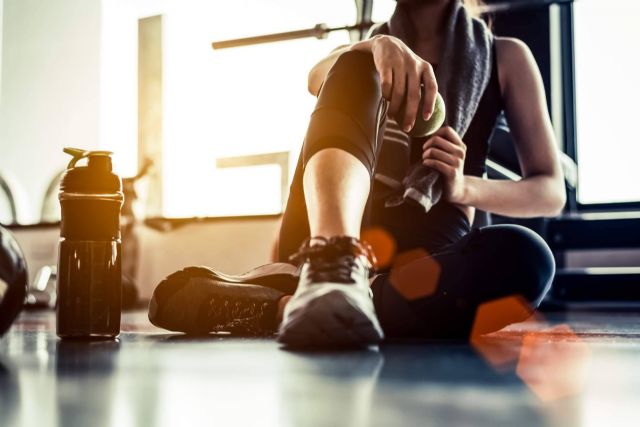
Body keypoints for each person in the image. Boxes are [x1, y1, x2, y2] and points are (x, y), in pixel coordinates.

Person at [148, 0, 565, 347]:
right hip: (329, 232)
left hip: (426, 256)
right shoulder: (365, 52)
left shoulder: (505, 55)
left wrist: (462, 186)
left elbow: (549, 190)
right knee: (352, 63)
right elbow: (315, 77)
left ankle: (287, 307)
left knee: (527, 260)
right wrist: (375, 45)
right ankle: (334, 268)